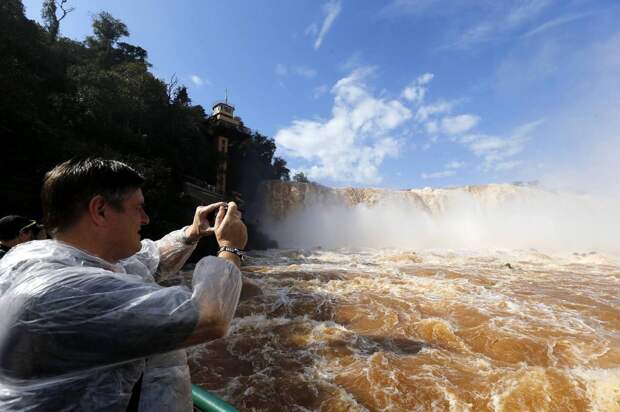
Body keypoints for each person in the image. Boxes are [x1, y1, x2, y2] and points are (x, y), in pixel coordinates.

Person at [0, 158, 248, 411]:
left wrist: (192, 232)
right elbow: (209, 317)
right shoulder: (63, 291)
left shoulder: (49, 258)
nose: (146, 219)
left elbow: (149, 260)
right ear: (100, 210)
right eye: (138, 208)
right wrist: (231, 247)